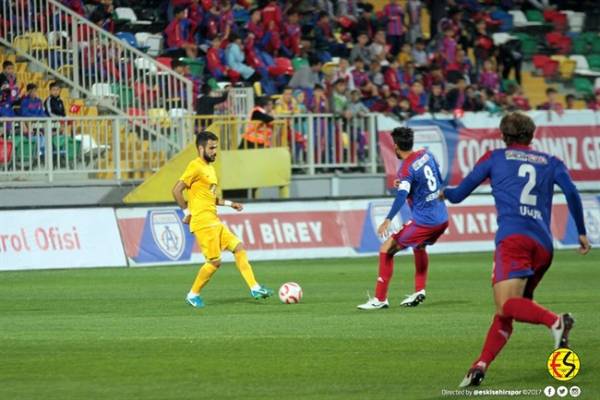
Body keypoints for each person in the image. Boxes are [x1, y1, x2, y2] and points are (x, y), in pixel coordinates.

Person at [442, 112, 591, 387]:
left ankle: (556, 322)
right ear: (531, 136)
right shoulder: (551, 161)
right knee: (510, 310)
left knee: (507, 305)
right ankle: (480, 366)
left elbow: (459, 194)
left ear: (503, 136)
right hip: (544, 246)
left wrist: (442, 192)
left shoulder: (494, 158)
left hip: (513, 240)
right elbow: (571, 192)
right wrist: (581, 231)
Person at [172, 131, 274, 308]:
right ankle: (192, 294)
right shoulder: (194, 166)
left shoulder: (210, 169)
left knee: (238, 247)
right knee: (214, 262)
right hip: (203, 222)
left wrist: (230, 203)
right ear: (201, 148)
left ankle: (255, 287)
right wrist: (186, 212)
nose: (214, 151)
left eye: (216, 148)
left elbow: (210, 197)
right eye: (211, 148)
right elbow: (176, 190)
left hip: (214, 220)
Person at [357, 127, 448, 310]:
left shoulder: (405, 169)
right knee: (419, 245)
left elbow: (401, 195)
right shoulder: (427, 155)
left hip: (425, 221)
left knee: (386, 249)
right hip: (442, 217)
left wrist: (388, 218)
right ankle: (419, 290)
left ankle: (380, 299)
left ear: (396, 146)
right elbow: (437, 179)